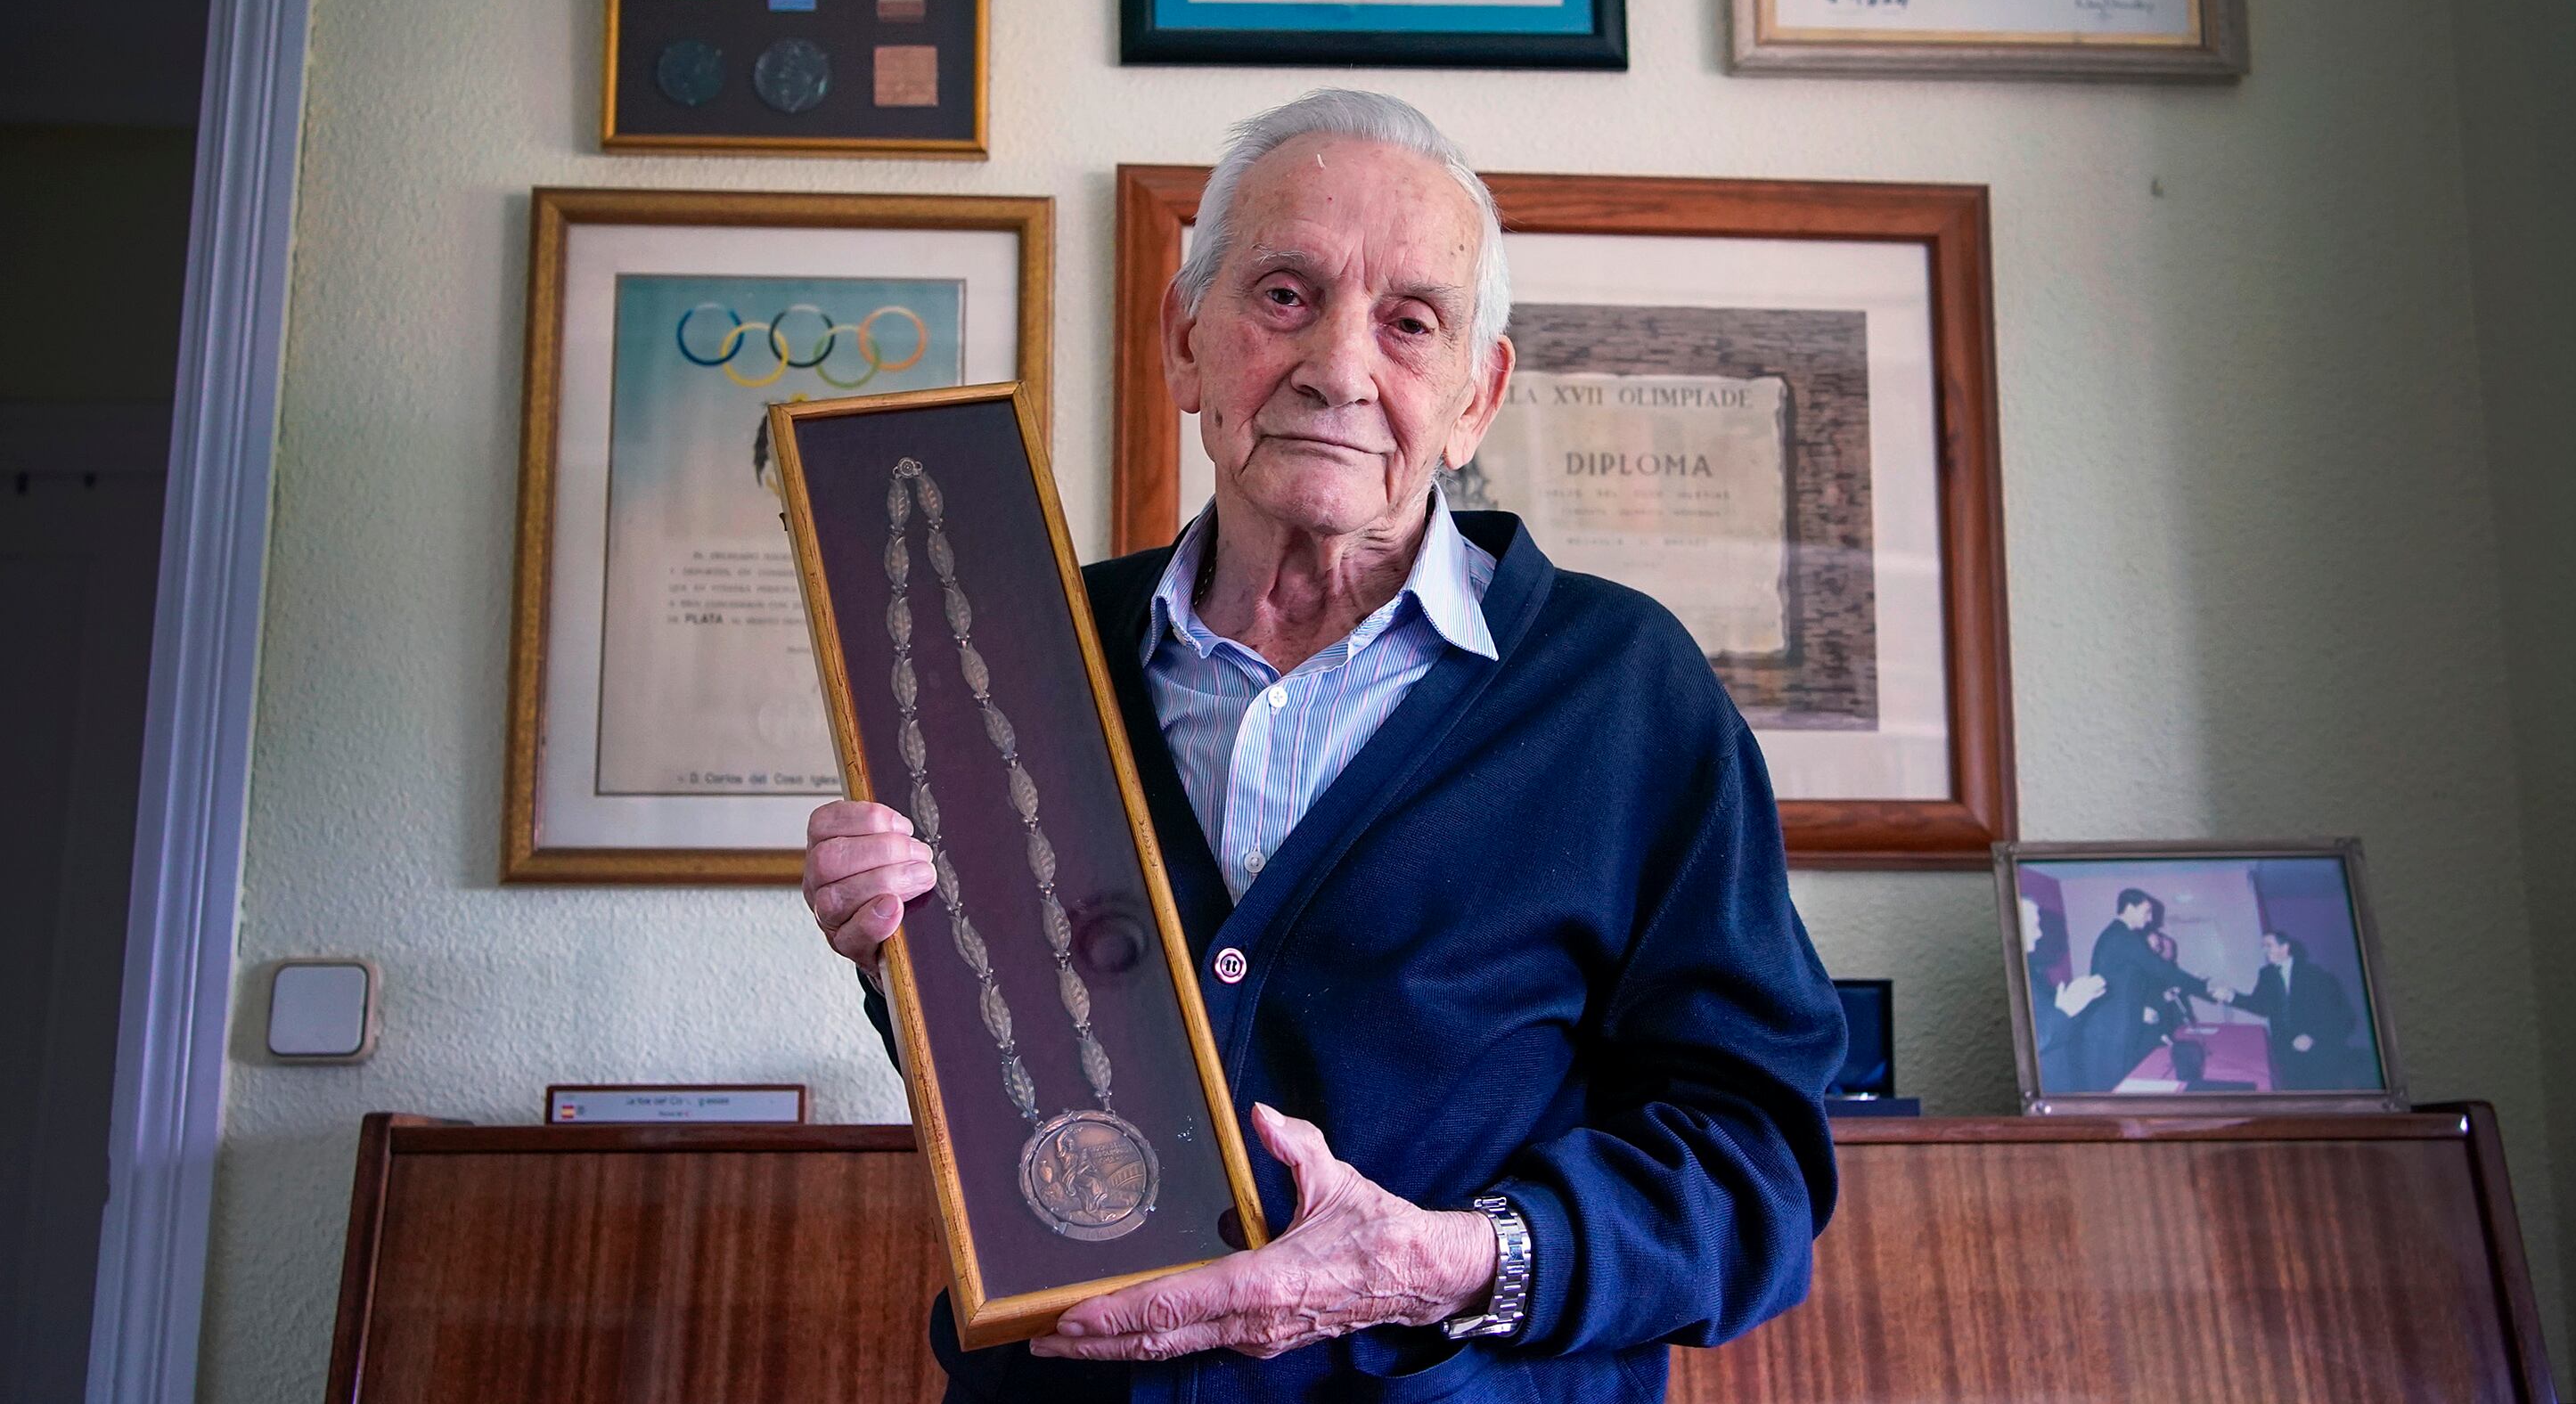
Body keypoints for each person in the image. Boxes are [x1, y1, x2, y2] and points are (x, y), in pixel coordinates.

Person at [801, 89, 1848, 1401]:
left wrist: (1449, 1260)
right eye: (1285, 296)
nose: (1340, 367)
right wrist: (897, 942)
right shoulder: (1011, 652)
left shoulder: (1627, 692)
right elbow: (1033, 1093)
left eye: (1412, 322)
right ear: (1185, 341)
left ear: (1477, 393)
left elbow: (1754, 1164)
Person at [2070, 889, 2199, 1092]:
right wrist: (2205, 988)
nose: (2150, 919)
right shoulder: (2123, 937)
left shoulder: (2123, 935)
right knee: (2112, 1091)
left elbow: (2131, 986)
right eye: (2147, 912)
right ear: (2129, 908)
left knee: (2122, 1087)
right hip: (2109, 1031)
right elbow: (2162, 970)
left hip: (2118, 1027)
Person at [2210, 931, 2360, 1091]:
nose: (2264, 951)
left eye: (2269, 945)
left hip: (2318, 1048)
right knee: (2296, 1092)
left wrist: (2312, 1036)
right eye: (2263, 947)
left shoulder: (2314, 974)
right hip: (2285, 1048)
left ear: (2285, 948)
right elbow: (2260, 1006)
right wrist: (2231, 996)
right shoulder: (2266, 974)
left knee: (2323, 1092)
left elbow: (2337, 1015)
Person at [2019, 897, 2106, 1092]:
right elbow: (2034, 1038)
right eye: (2034, 926)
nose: (2040, 934)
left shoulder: (2027, 970)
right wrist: (2065, 1009)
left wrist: (2064, 1007)